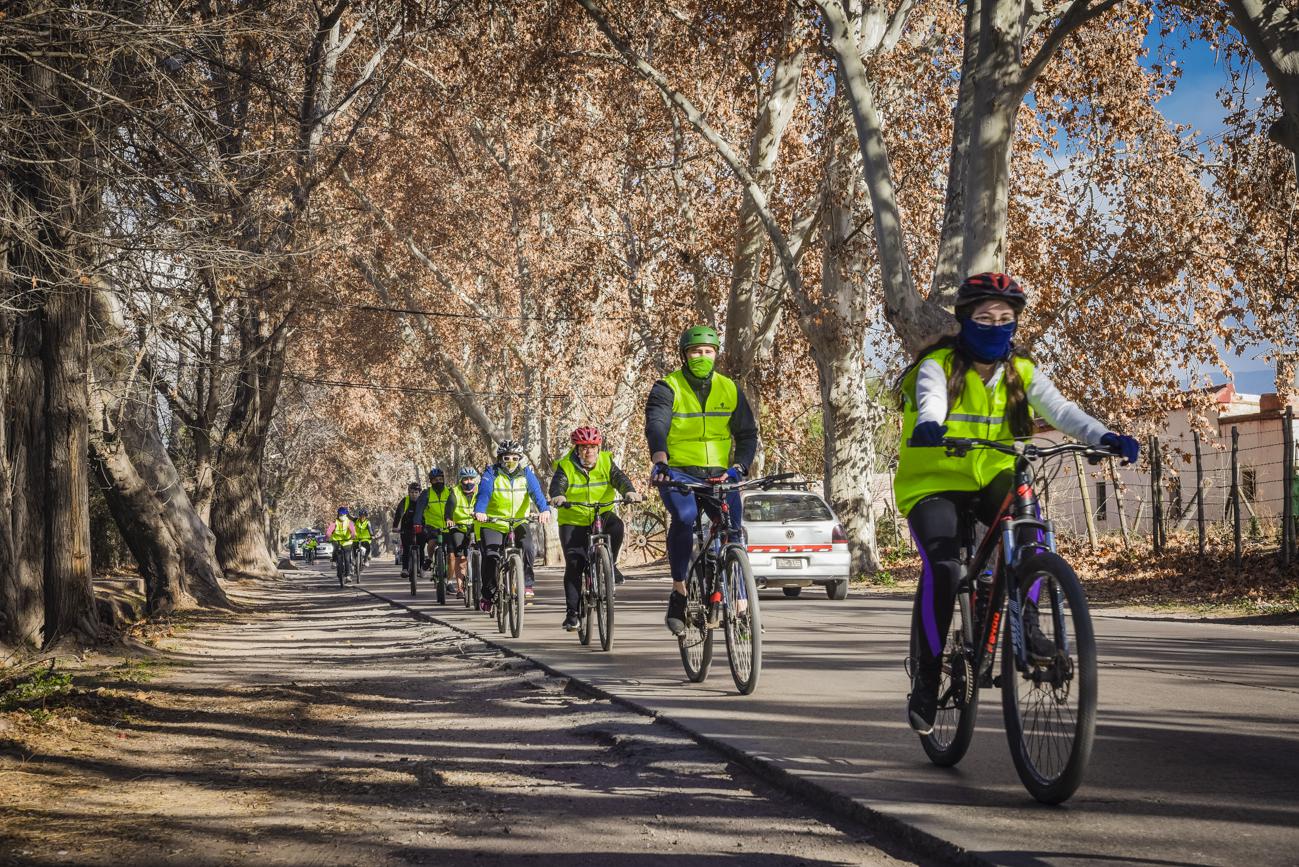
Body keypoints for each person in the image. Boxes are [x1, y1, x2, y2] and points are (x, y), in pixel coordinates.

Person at [893, 272, 1140, 736]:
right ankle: (926, 678)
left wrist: (1104, 435)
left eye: (1006, 318)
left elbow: (1061, 410)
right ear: (964, 320)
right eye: (985, 317)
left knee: (1030, 531)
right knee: (946, 569)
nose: (996, 325)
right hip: (933, 482)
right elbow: (930, 400)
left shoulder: (1020, 370)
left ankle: (1025, 623)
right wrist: (930, 425)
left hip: (994, 474)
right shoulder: (939, 364)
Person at [645, 325, 759, 636]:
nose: (702, 357)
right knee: (685, 517)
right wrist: (661, 462)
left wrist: (739, 467)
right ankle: (679, 590)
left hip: (720, 475)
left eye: (708, 352)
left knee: (734, 532)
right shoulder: (667, 387)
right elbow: (656, 425)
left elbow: (747, 435)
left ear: (716, 355)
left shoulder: (729, 388)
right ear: (684, 354)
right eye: (696, 352)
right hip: (678, 472)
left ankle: (741, 609)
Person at [550, 426, 643, 631]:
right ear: (577, 449)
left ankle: (611, 563)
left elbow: (620, 479)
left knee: (617, 526)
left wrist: (630, 492)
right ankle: (572, 615)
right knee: (575, 564)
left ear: (598, 447)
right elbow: (558, 484)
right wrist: (559, 496)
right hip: (573, 519)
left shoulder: (606, 461)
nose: (588, 451)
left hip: (602, 513)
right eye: (583, 447)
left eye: (592, 447)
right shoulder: (566, 465)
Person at [473, 440, 550, 610]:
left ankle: (527, 584)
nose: (510, 461)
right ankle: (488, 593)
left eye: (514, 458)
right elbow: (484, 494)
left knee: (529, 548)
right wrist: (480, 511)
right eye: (506, 457)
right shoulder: (491, 473)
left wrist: (544, 510)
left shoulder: (526, 473)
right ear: (500, 458)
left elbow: (537, 494)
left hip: (518, 522)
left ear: (519, 459)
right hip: (494, 523)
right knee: (491, 557)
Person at [444, 467, 480, 599]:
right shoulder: (455, 491)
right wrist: (449, 519)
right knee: (461, 557)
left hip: (475, 525)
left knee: (483, 552)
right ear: (461, 480)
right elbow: (450, 506)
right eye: (465, 479)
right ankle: (460, 588)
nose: (468, 481)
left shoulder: (479, 491)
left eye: (471, 479)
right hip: (458, 526)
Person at [416, 467, 452, 577]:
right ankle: (430, 559)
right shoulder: (426, 494)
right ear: (431, 481)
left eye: (440, 479)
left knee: (451, 554)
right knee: (432, 543)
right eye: (435, 480)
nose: (438, 482)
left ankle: (449, 579)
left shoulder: (450, 492)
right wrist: (417, 522)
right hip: (432, 526)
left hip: (448, 526)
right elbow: (419, 509)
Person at [392, 481, 423, 578]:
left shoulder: (423, 501)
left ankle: (421, 568)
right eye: (412, 492)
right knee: (406, 548)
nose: (414, 494)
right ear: (409, 492)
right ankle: (405, 568)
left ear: (419, 493)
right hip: (407, 527)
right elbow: (399, 513)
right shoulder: (405, 501)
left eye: (416, 492)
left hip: (421, 526)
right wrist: (395, 526)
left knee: (421, 547)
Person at [326, 506, 357, 579]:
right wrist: (327, 537)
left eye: (343, 515)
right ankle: (334, 561)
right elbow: (329, 531)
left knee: (347, 559)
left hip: (347, 542)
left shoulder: (349, 522)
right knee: (335, 549)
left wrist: (353, 536)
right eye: (340, 515)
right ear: (338, 515)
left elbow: (353, 531)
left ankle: (348, 575)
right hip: (337, 540)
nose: (342, 516)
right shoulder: (334, 522)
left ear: (346, 515)